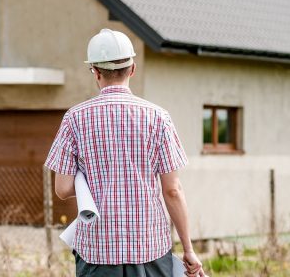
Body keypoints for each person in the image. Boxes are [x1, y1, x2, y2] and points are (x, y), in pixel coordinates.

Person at [45, 28, 206, 277]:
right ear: (132, 69)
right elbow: (172, 190)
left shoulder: (74, 119)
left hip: (97, 251)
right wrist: (188, 249)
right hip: (150, 248)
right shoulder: (158, 118)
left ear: (95, 72)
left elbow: (63, 189)